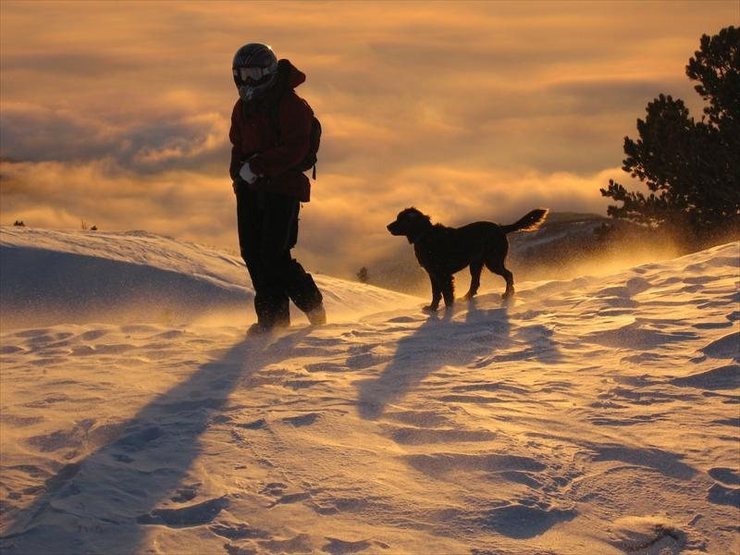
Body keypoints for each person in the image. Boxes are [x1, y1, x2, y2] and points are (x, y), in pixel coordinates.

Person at [229, 43, 325, 335]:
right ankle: (272, 321)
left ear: (269, 72)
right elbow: (237, 144)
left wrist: (257, 167)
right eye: (243, 74)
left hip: (283, 188)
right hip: (249, 188)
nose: (248, 81)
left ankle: (312, 305)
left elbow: (296, 148)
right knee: (253, 254)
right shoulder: (243, 107)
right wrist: (238, 175)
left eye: (255, 73)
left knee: (273, 253)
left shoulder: (292, 105)